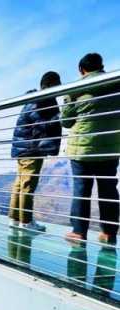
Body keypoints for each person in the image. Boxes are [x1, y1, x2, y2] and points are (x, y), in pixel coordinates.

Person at [62, 53, 120, 245]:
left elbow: (66, 122)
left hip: (82, 150)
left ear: (81, 69)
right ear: (101, 66)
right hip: (110, 148)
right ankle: (109, 233)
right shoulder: (116, 83)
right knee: (108, 189)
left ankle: (78, 233)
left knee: (81, 189)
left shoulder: (77, 88)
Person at [9, 71, 62, 232]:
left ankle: (14, 219)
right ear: (52, 84)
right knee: (27, 185)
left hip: (24, 147)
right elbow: (41, 124)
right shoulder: (43, 99)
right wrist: (59, 116)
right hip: (32, 148)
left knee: (19, 184)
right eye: (58, 84)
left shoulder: (33, 99)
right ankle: (26, 222)